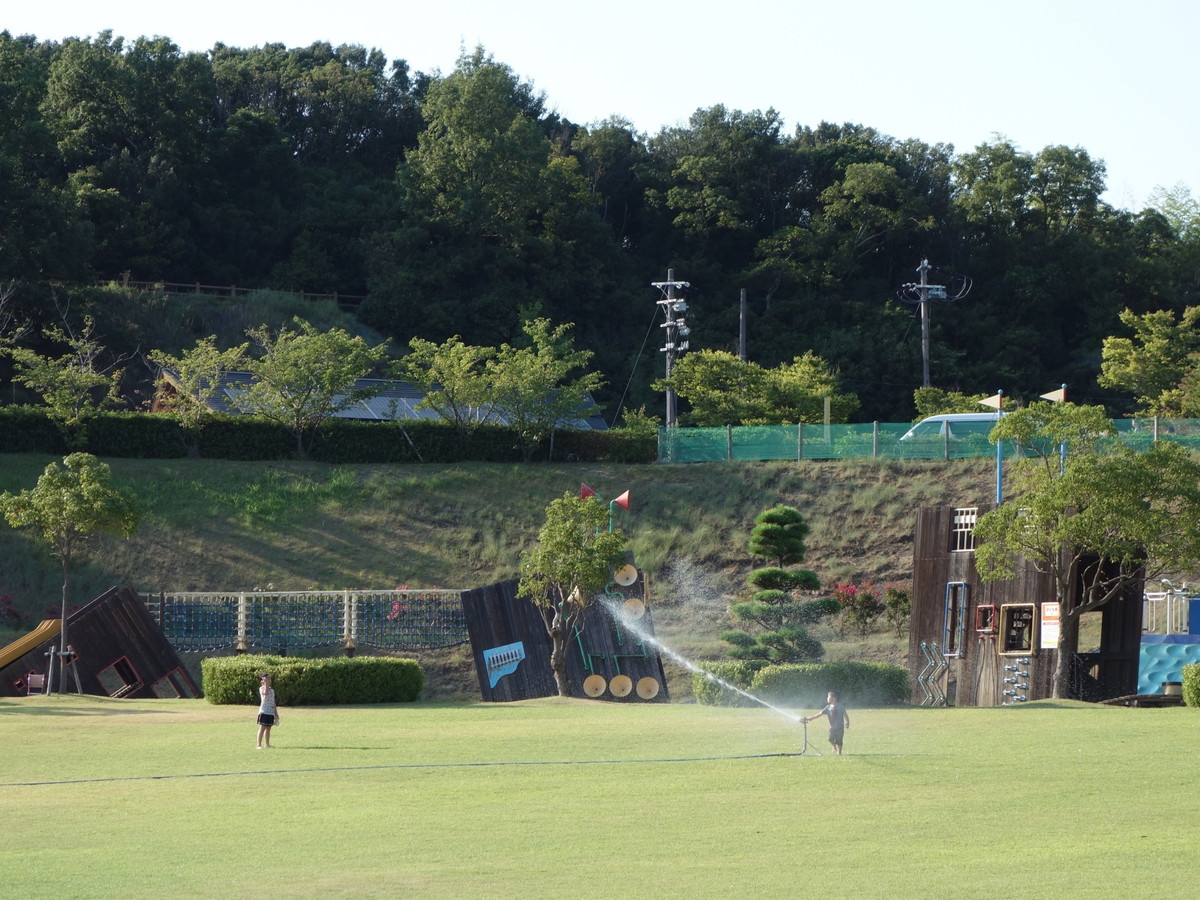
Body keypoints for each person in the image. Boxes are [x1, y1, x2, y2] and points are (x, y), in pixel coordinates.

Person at [802, 690, 850, 755]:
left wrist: (848, 722)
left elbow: (845, 714)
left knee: (839, 741)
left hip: (840, 727)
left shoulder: (840, 707)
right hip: (832, 727)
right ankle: (834, 746)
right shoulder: (828, 707)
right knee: (830, 739)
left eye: (828, 697)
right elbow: (819, 714)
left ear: (834, 698)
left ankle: (839, 753)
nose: (827, 698)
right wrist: (810, 718)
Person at [257, 673, 279, 749]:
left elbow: (273, 702)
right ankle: (259, 745)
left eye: (269, 679)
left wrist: (276, 713)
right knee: (262, 727)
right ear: (262, 682)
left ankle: (267, 744)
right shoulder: (262, 689)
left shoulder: (272, 690)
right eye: (266, 679)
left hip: (270, 712)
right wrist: (265, 684)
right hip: (264, 711)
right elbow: (265, 693)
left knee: (268, 728)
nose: (268, 681)